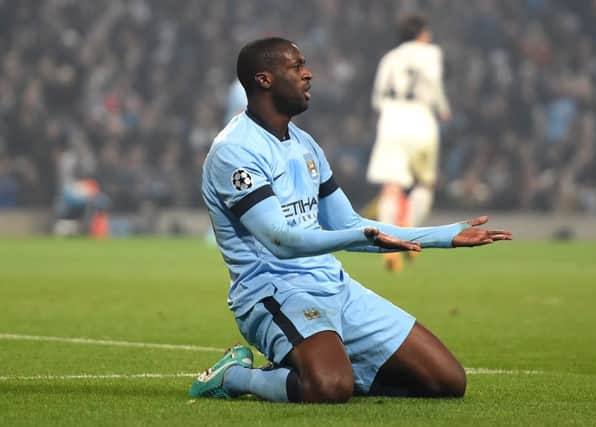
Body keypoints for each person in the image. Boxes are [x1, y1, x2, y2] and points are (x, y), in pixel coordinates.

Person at [190, 37, 511, 403]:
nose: (308, 74)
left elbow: (348, 221)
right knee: (329, 388)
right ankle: (235, 376)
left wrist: (445, 236)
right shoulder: (235, 150)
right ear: (264, 79)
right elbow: (279, 239)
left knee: (447, 381)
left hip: (334, 286)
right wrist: (357, 236)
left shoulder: (305, 145)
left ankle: (322, 364)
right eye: (296, 67)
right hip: (273, 291)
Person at [366, 14, 452, 272]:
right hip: (420, 120)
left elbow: (377, 100)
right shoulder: (430, 52)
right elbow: (434, 83)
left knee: (391, 187)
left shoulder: (389, 58)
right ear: (422, 34)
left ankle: (388, 244)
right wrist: (443, 108)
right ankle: (408, 233)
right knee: (424, 183)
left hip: (391, 120)